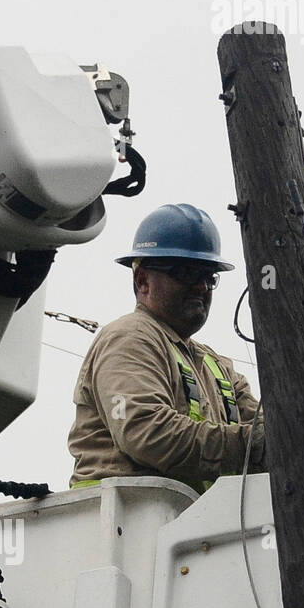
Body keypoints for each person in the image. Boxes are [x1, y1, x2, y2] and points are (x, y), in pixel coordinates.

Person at [68, 203, 266, 494]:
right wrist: (258, 444)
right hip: (123, 521)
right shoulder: (130, 338)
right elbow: (146, 434)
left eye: (209, 277)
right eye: (187, 273)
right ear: (142, 280)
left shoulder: (217, 367)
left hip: (188, 524)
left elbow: (272, 436)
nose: (201, 287)